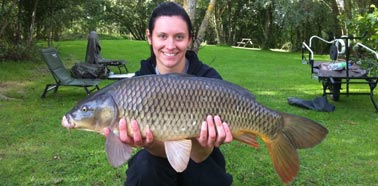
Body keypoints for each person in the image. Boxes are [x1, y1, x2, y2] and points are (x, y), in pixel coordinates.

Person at [104, 2, 233, 186]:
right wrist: (147, 143)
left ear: (190, 39)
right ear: (149, 37)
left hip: (202, 159)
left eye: (179, 37)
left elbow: (200, 154)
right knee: (144, 169)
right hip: (155, 159)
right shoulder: (136, 84)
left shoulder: (208, 80)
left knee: (203, 176)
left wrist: (209, 140)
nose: (170, 45)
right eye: (162, 36)